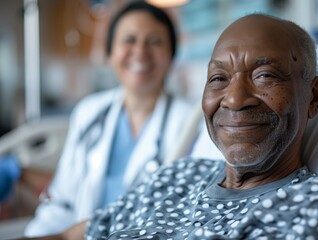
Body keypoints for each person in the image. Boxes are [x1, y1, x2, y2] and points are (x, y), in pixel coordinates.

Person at [32, 13, 318, 240]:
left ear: (313, 96)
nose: (234, 99)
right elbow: (67, 234)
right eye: (218, 78)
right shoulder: (174, 177)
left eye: (264, 76)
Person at [24, 1, 192, 237]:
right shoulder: (89, 112)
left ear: (172, 54)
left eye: (154, 41)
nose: (141, 51)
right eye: (129, 40)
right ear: (111, 52)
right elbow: (62, 203)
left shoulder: (190, 122)